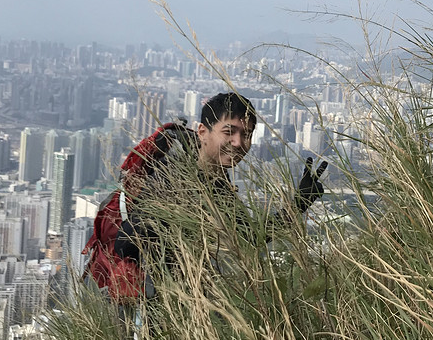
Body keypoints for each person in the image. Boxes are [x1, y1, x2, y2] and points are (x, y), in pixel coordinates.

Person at [83, 91, 327, 301]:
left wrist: (299, 203)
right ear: (202, 132)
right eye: (229, 132)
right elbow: (126, 241)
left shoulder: (217, 180)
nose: (238, 142)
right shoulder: (176, 177)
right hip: (150, 306)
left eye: (247, 134)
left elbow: (249, 235)